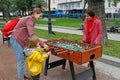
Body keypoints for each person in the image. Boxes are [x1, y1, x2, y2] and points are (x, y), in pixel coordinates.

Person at [10, 8, 48, 80]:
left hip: (20, 40)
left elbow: (29, 34)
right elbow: (32, 35)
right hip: (16, 40)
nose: (40, 18)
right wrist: (43, 44)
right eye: (39, 16)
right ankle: (21, 78)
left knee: (22, 58)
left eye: (41, 16)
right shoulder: (30, 19)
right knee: (20, 60)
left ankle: (21, 75)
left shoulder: (31, 19)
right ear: (35, 13)